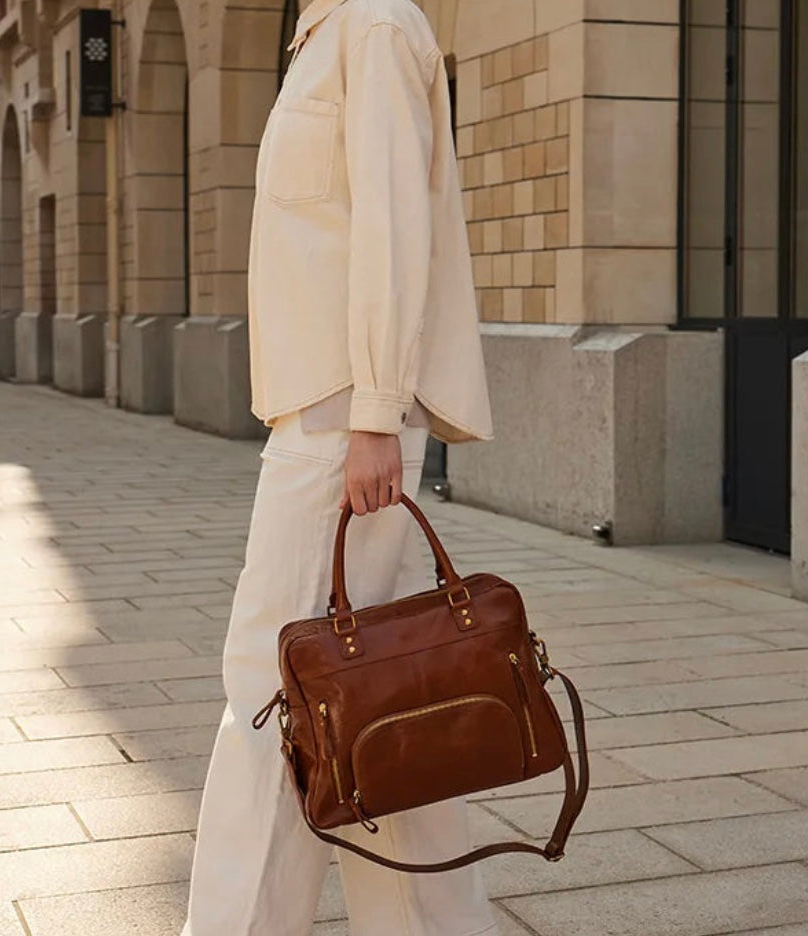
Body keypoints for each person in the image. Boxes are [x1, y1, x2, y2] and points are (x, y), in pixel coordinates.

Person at [180, 1, 496, 933]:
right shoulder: (322, 34)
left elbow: (396, 230)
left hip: (342, 422)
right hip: (323, 413)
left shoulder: (375, 26)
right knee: (373, 695)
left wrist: (375, 416)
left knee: (273, 694)